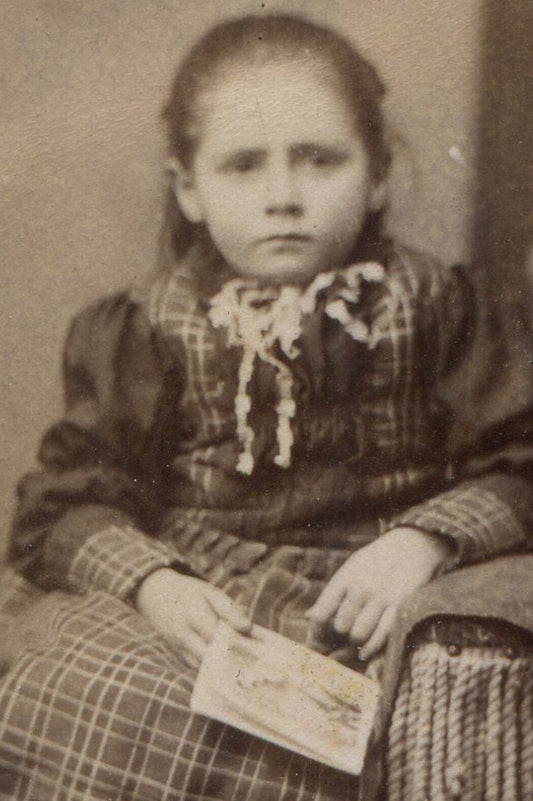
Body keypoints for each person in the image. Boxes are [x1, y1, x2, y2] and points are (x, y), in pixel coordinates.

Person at [1, 13, 533, 801]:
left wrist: (423, 541)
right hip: (200, 595)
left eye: (319, 160)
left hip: (364, 596)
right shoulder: (149, 325)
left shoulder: (441, 307)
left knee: (372, 722)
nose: (283, 197)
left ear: (378, 174)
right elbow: (63, 503)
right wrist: (154, 583)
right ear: (189, 189)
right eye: (244, 166)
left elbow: (519, 463)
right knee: (86, 676)